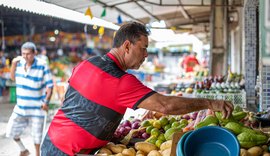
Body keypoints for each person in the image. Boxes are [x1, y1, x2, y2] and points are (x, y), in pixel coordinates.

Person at [41, 22, 233, 155]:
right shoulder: (121, 81)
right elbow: (165, 106)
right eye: (143, 48)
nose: (146, 54)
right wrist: (210, 102)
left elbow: (75, 102)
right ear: (126, 46)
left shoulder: (86, 64)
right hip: (70, 151)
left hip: (52, 140)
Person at [6, 42, 53, 156]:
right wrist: (13, 63)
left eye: (28, 54)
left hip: (37, 107)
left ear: (34, 53)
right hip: (21, 107)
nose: (26, 56)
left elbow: (50, 85)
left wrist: (46, 102)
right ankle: (23, 150)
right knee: (11, 131)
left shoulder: (42, 65)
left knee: (37, 136)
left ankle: (37, 154)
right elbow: (13, 78)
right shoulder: (19, 63)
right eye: (23, 54)